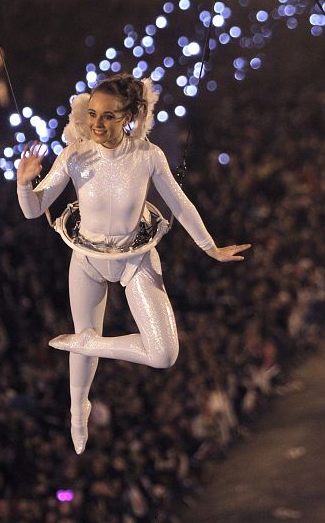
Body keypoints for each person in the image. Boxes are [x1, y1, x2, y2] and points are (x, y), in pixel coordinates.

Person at [16, 74, 250, 454]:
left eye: (108, 116)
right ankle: (78, 411)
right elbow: (33, 211)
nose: (96, 124)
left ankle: (90, 343)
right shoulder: (75, 155)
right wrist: (24, 184)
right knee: (83, 349)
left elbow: (180, 204)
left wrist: (210, 247)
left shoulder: (148, 156)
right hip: (87, 258)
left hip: (135, 258)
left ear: (129, 116)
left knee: (163, 354)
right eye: (92, 114)